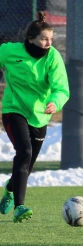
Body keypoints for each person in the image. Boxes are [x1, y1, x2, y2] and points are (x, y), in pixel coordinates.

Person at [0, 12, 70, 223]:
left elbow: (62, 88)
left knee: (27, 165)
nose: (49, 43)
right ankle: (20, 207)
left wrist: (55, 102)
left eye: (51, 39)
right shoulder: (10, 51)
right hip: (14, 109)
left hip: (40, 115)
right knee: (24, 151)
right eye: (44, 39)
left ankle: (10, 190)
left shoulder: (53, 57)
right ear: (31, 39)